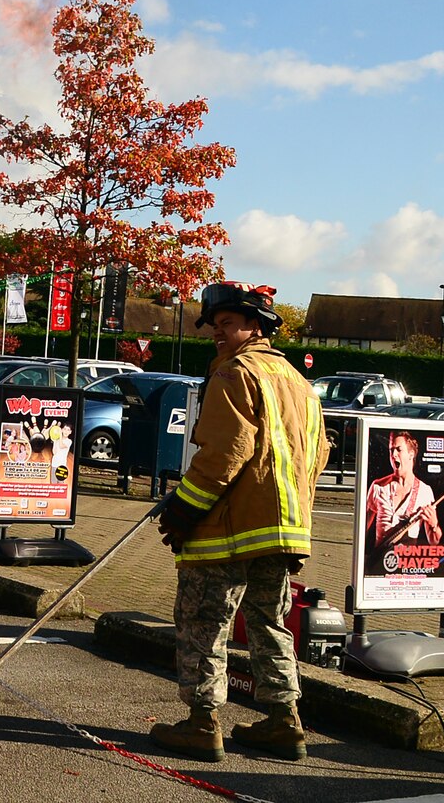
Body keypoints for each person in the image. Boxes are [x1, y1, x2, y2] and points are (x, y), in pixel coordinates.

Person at [150, 281, 328, 764]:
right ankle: (284, 722)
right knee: (271, 623)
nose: (217, 333)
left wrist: (184, 507)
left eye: (227, 323)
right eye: (214, 325)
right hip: (283, 532)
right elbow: (318, 454)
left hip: (227, 530)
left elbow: (226, 453)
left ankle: (202, 723)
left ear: (256, 325)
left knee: (203, 621)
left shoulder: (234, 375)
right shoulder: (299, 384)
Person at [366, 429, 441, 564]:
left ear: (411, 454)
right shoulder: (378, 486)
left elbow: (434, 541)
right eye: (391, 450)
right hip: (378, 562)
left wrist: (433, 524)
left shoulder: (425, 491)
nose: (394, 454)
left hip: (405, 565)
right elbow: (363, 527)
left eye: (399, 450)